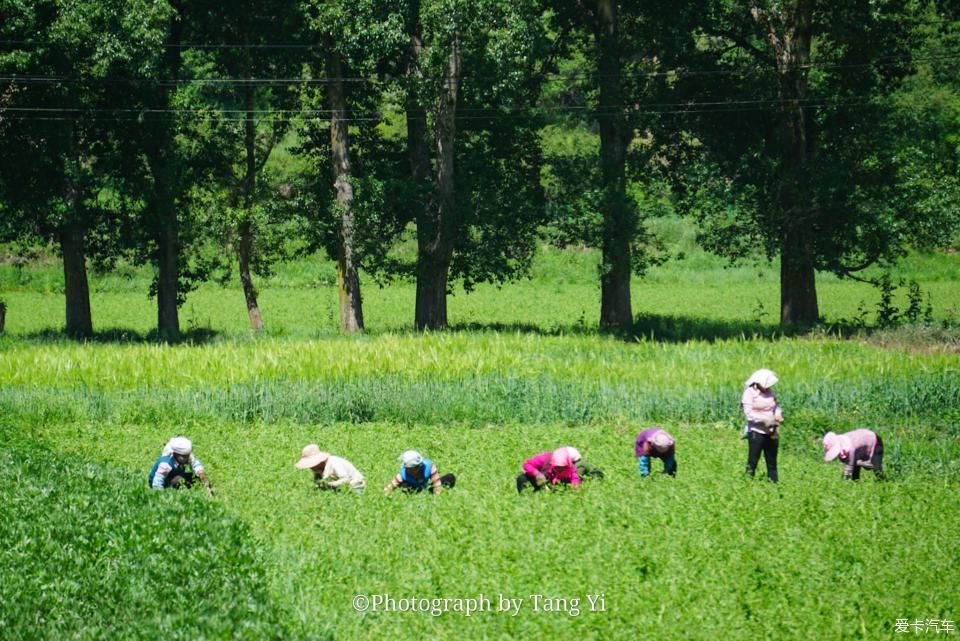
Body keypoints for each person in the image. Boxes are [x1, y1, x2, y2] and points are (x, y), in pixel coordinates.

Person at [742, 368, 784, 482]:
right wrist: (764, 421)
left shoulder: (770, 392)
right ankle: (747, 482)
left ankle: (774, 484)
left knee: (772, 462)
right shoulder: (749, 393)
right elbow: (748, 414)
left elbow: (775, 406)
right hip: (757, 431)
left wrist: (778, 414)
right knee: (753, 460)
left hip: (772, 431)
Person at [148, 436, 213, 496]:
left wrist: (206, 484)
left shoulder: (185, 456)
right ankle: (172, 492)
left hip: (174, 476)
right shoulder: (165, 463)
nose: (187, 458)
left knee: (196, 478)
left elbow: (197, 467)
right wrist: (160, 496)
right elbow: (158, 482)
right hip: (162, 482)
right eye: (184, 457)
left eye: (187, 455)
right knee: (179, 479)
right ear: (175, 454)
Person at [294, 444, 366, 493]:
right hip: (338, 488)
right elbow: (317, 481)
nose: (311, 467)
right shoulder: (317, 468)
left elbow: (345, 479)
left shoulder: (334, 463)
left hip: (355, 487)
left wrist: (330, 485)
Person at [384, 450, 456, 495]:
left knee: (450, 477)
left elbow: (436, 483)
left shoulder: (429, 466)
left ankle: (427, 492)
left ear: (418, 466)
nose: (409, 471)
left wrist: (437, 496)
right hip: (413, 488)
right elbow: (391, 486)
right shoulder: (403, 473)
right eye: (407, 469)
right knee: (404, 485)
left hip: (427, 486)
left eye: (411, 469)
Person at [516, 447, 582, 493]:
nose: (559, 469)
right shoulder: (545, 458)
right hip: (540, 481)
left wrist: (575, 487)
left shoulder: (570, 467)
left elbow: (575, 479)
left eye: (562, 467)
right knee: (522, 478)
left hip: (556, 487)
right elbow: (527, 464)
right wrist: (537, 474)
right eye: (557, 466)